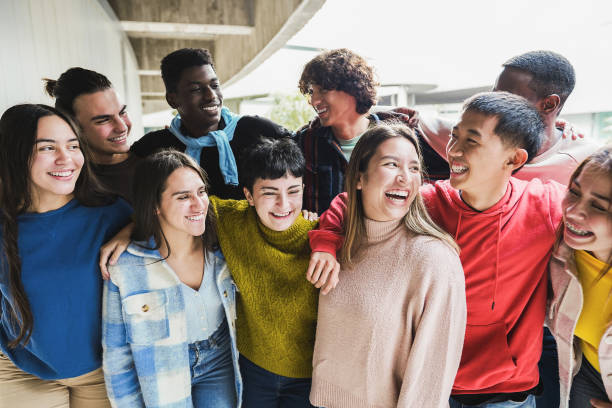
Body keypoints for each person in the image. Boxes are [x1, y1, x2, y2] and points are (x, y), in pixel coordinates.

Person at [310, 92, 568, 407]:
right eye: (454, 137)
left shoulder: (546, 205)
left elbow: (598, 202)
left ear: (514, 159)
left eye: (471, 142)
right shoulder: (429, 201)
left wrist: (565, 140)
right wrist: (325, 243)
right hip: (426, 385)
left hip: (504, 392)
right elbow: (350, 201)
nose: (454, 151)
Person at [308, 123, 466, 408]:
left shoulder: (433, 258)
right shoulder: (340, 243)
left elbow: (433, 373)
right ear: (359, 178)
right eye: (391, 164)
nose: (405, 177)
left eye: (415, 168)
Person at [0, 104, 131, 407]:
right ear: (14, 153)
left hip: (101, 372)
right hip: (16, 368)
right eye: (47, 147)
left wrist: (136, 227)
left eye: (73, 146)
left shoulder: (113, 215)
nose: (66, 158)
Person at [102, 150, 240, 407]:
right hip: (162, 368)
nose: (199, 204)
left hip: (219, 360)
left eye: (201, 192)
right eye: (183, 196)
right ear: (155, 205)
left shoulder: (223, 248)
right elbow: (117, 358)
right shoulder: (126, 266)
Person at [209, 137, 328, 407]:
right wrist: (128, 231)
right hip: (252, 369)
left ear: (304, 189)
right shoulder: (233, 220)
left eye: (293, 191)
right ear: (249, 195)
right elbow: (179, 207)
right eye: (270, 192)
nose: (283, 204)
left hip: (310, 376)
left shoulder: (323, 236)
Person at [415, 50, 600, 185]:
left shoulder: (585, 160)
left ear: (549, 104)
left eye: (508, 95)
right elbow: (413, 118)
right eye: (494, 92)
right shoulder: (462, 136)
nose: (496, 101)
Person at [130, 48, 293, 199]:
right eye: (196, 89)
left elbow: (302, 151)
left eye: (215, 85)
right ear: (172, 99)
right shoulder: (157, 147)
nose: (211, 96)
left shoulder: (255, 130)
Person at [547, 147, 612, 408]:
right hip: (585, 372)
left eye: (598, 206)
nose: (574, 211)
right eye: (573, 192)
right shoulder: (561, 251)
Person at [296, 48, 384, 213]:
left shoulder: (393, 141)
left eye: (323, 90)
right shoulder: (304, 143)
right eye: (311, 92)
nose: (314, 100)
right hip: (324, 237)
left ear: (353, 89)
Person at [44, 67, 140, 202]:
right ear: (72, 126)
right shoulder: (65, 180)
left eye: (122, 112)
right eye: (104, 120)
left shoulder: (151, 158)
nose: (122, 127)